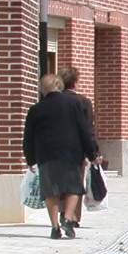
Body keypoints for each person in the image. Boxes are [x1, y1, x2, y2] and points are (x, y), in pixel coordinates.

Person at [23, 73, 98, 239]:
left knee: (51, 190)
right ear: (60, 86)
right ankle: (68, 217)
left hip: (46, 154)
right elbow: (84, 130)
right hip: (71, 153)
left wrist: (30, 158)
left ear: (43, 89)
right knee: (74, 187)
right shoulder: (74, 103)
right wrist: (92, 153)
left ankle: (54, 226)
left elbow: (28, 136)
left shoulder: (36, 109)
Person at [59, 67, 99, 227]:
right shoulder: (84, 102)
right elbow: (89, 129)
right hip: (77, 150)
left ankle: (62, 212)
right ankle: (73, 216)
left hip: (55, 149)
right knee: (76, 182)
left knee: (59, 182)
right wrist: (94, 152)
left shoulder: (52, 101)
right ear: (75, 82)